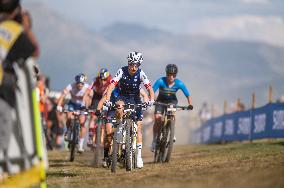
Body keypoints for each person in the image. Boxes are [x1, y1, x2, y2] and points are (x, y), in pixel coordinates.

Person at [104, 51, 155, 168]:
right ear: (128, 63)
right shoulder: (121, 71)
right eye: (131, 64)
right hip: (122, 97)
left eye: (136, 65)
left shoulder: (141, 73)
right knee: (119, 108)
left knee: (139, 127)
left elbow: (150, 88)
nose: (133, 67)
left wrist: (151, 99)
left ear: (139, 65)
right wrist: (107, 100)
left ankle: (138, 157)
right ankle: (120, 127)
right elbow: (111, 86)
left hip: (136, 99)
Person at [151, 64, 193, 152]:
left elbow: (188, 95)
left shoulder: (179, 83)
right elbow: (152, 91)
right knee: (157, 119)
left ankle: (171, 131)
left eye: (173, 75)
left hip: (172, 102)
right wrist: (153, 99)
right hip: (160, 101)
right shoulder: (160, 81)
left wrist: (190, 104)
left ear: (175, 76)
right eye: (169, 75)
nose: (171, 77)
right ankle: (154, 140)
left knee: (172, 113)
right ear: (166, 74)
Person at [56, 73, 89, 153]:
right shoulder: (70, 86)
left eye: (82, 84)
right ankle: (68, 131)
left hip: (82, 106)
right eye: (78, 83)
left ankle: (80, 145)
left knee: (82, 123)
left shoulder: (87, 87)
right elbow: (63, 95)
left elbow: (89, 97)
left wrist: (87, 107)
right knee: (69, 116)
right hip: (72, 104)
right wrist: (59, 105)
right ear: (76, 82)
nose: (80, 85)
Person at [83, 68, 112, 148]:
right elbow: (88, 91)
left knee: (108, 118)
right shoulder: (95, 80)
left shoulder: (111, 80)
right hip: (97, 97)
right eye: (101, 79)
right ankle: (90, 137)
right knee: (93, 116)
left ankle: (105, 139)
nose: (102, 81)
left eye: (104, 80)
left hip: (107, 97)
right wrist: (85, 104)